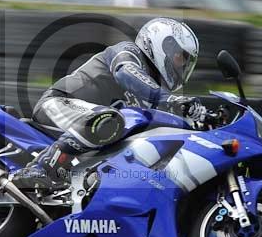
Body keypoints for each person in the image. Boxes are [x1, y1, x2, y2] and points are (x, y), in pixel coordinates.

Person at [12, 17, 205, 191]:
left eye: (187, 63)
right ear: (163, 45)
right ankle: (40, 168)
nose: (182, 66)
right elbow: (126, 72)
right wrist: (169, 100)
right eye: (181, 58)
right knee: (111, 118)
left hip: (93, 131)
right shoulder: (128, 52)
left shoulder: (152, 94)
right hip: (59, 103)